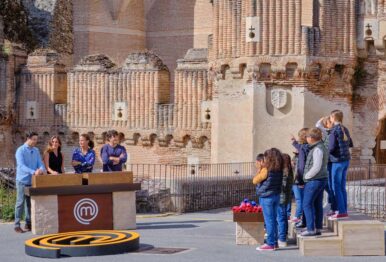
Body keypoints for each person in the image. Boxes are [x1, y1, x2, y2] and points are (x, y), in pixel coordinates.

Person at [14, 131, 46, 233]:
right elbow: (21, 166)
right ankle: (17, 225)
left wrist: (41, 169)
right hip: (22, 181)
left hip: (32, 181)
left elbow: (40, 163)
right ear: (28, 138)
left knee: (29, 204)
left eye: (36, 139)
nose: (35, 142)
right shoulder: (20, 150)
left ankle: (28, 223)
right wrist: (33, 171)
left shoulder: (36, 150)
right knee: (20, 203)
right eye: (33, 139)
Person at [301, 128, 328, 237]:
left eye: (307, 136)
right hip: (320, 179)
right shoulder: (320, 147)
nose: (306, 138)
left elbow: (316, 166)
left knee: (307, 204)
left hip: (314, 180)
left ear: (311, 138)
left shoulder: (317, 149)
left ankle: (311, 229)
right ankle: (318, 228)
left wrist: (307, 176)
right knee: (317, 204)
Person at [256, 148, 283, 251]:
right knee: (273, 220)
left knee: (269, 221)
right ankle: (275, 242)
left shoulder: (269, 170)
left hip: (267, 197)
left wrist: (259, 191)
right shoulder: (278, 169)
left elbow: (265, 184)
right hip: (276, 195)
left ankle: (270, 243)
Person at [328, 110, 353, 220]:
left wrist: (324, 151)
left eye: (330, 117)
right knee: (342, 186)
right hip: (346, 160)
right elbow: (350, 143)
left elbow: (332, 147)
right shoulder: (345, 129)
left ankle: (341, 212)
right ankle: (343, 210)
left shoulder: (334, 130)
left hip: (337, 161)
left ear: (333, 117)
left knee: (336, 187)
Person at [290, 128, 309, 225]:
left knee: (300, 200)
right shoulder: (301, 150)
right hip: (296, 180)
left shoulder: (303, 149)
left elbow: (300, 167)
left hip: (299, 180)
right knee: (299, 199)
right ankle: (300, 218)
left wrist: (301, 181)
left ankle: (297, 216)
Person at [277, 153, 294, 247]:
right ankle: (285, 235)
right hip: (286, 197)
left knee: (281, 218)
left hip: (281, 197)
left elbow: (283, 186)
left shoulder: (284, 171)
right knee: (283, 217)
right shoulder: (289, 170)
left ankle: (282, 238)